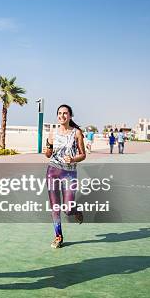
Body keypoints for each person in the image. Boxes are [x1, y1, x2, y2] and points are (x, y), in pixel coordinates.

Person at [44, 104, 86, 249]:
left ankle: (75, 210)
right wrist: (47, 148)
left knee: (67, 209)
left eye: (65, 113)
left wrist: (73, 159)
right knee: (55, 206)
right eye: (59, 113)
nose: (62, 116)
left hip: (69, 173)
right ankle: (58, 236)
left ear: (70, 116)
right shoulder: (52, 134)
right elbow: (48, 154)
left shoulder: (77, 133)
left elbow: (83, 155)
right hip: (53, 171)